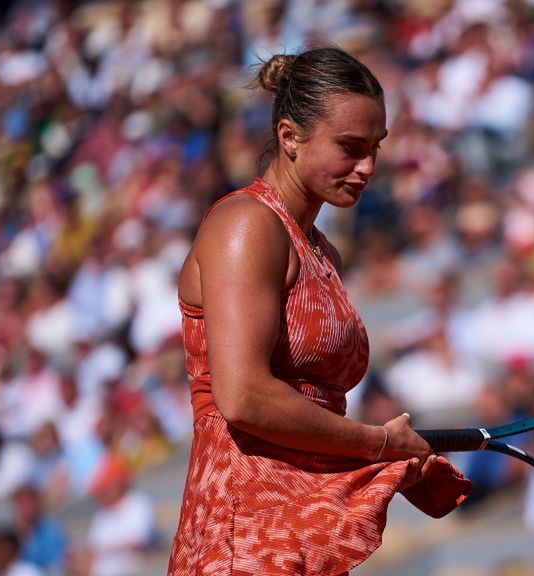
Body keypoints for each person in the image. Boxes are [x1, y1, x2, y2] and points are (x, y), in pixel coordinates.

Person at [167, 47, 471, 575]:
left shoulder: (319, 247)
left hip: (293, 527)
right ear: (289, 137)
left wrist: (385, 463)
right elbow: (243, 398)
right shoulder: (246, 225)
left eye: (375, 148)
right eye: (351, 147)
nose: (368, 167)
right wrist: (377, 443)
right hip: (242, 536)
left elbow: (306, 420)